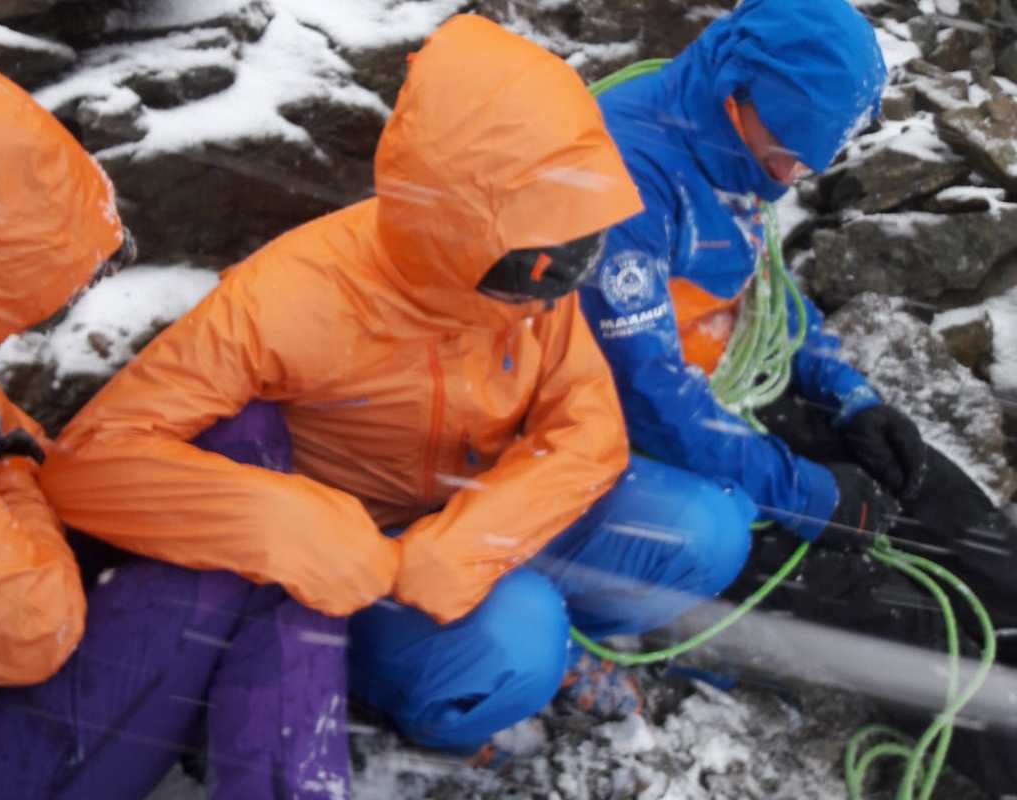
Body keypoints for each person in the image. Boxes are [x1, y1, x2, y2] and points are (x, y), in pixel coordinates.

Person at [41, 14, 759, 757]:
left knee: (705, 533)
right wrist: (289, 523)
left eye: (582, 250)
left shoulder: (542, 251)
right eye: (544, 271)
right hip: (367, 565)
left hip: (479, 515)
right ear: (456, 231)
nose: (556, 299)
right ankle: (432, 702)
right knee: (519, 641)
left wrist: (473, 542)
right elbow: (91, 461)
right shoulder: (284, 299)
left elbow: (588, 428)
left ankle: (529, 639)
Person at [0, 67, 346, 800]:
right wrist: (15, 480)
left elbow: (22, 454)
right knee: (216, 575)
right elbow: (32, 635)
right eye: (45, 283)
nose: (49, 307)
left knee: (245, 472)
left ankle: (268, 748)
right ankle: (288, 775)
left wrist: (20, 475)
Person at [578, 0, 1017, 793]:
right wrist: (807, 492)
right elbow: (648, 395)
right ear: (733, 92)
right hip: (632, 445)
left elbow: (764, 293)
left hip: (729, 396)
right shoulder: (625, 175)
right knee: (882, 602)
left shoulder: (733, 146)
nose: (789, 178)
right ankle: (989, 743)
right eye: (785, 154)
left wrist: (851, 396)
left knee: (949, 509)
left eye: (806, 162)